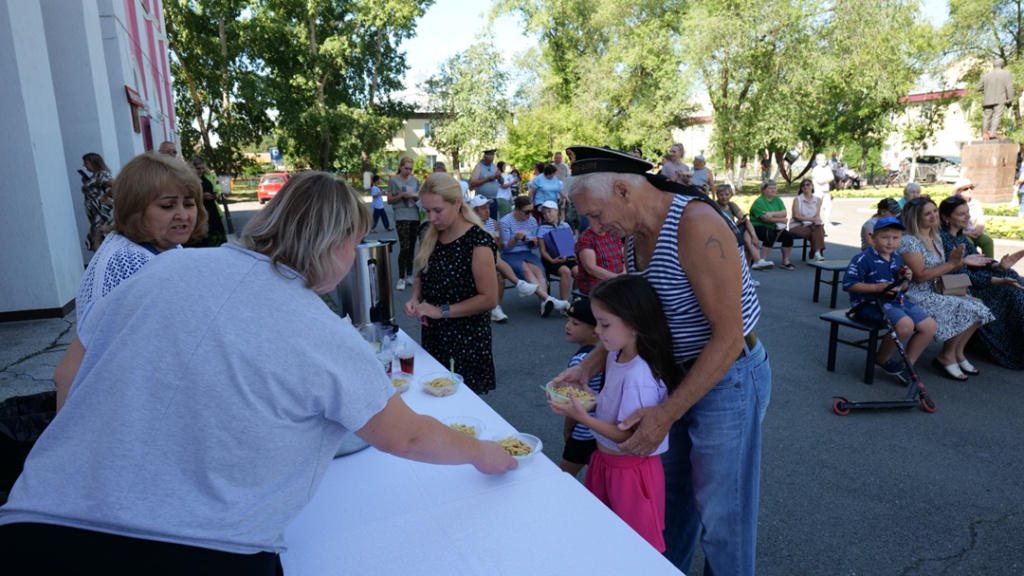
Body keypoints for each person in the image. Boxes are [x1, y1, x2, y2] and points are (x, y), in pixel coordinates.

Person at [0, 172, 516, 574]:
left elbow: (68, 374)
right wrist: (484, 453)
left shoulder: (164, 267)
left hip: (33, 524)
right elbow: (407, 436)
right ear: (336, 245)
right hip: (198, 550)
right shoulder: (321, 331)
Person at [554, 146, 768, 576]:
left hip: (728, 379)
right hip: (673, 374)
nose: (595, 228)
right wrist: (589, 366)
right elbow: (644, 321)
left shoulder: (695, 224)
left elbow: (728, 337)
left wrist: (665, 414)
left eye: (595, 216)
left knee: (724, 516)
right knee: (669, 503)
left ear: (622, 190)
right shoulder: (636, 232)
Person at [548, 275, 680, 552]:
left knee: (632, 547)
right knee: (604, 536)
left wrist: (583, 417)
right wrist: (584, 398)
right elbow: (613, 404)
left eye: (604, 324)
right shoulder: (615, 354)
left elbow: (627, 434)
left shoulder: (639, 375)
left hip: (630, 474)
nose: (597, 330)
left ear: (634, 325)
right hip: (605, 463)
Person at [76, 153, 208, 315]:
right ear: (134, 208)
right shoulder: (133, 263)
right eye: (168, 205)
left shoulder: (159, 243)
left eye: (188, 204)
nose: (183, 215)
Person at [404, 174, 500, 394]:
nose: (432, 217)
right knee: (433, 396)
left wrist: (441, 310)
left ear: (457, 202)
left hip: (467, 340)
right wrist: (414, 298)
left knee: (463, 406)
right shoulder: (428, 232)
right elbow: (422, 274)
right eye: (427, 211)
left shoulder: (478, 241)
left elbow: (489, 298)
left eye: (437, 210)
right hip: (434, 334)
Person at [897, 196, 995, 380]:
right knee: (964, 307)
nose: (933, 216)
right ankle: (946, 356)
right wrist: (952, 264)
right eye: (927, 213)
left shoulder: (934, 237)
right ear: (915, 217)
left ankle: (957, 353)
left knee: (980, 307)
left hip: (934, 289)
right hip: (916, 294)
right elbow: (920, 276)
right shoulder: (909, 241)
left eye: (934, 211)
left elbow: (942, 268)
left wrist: (962, 261)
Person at [844, 217, 937, 384]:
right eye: (885, 237)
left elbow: (904, 287)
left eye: (895, 238)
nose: (890, 242)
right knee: (905, 325)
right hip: (871, 304)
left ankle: (906, 365)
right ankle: (881, 359)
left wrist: (904, 280)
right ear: (872, 237)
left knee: (930, 326)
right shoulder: (862, 258)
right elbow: (849, 284)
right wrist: (876, 288)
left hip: (896, 301)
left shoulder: (897, 258)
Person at [939, 195, 1024, 369]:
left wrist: (999, 265)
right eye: (962, 214)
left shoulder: (961, 238)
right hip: (964, 286)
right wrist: (998, 280)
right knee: (1014, 295)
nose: (968, 217)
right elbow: (964, 276)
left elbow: (981, 262)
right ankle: (1013, 351)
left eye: (967, 212)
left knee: (1016, 281)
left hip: (978, 281)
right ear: (946, 218)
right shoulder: (944, 240)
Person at [469, 195, 537, 323]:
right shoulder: (470, 225)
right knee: (493, 256)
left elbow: (500, 247)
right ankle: (519, 284)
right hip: (474, 260)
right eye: (483, 208)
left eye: (488, 207)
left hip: (492, 259)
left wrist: (496, 242)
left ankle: (496, 308)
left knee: (499, 276)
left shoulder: (493, 223)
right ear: (475, 211)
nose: (487, 211)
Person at [498, 196, 570, 316]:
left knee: (539, 270)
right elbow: (505, 247)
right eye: (527, 211)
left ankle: (544, 303)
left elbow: (533, 247)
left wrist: (534, 242)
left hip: (526, 252)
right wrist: (515, 238)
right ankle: (548, 299)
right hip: (510, 254)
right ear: (517, 210)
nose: (530, 214)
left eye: (532, 211)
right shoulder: (505, 221)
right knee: (526, 269)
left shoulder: (532, 220)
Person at [557, 298, 604, 477]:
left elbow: (574, 400)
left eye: (575, 323)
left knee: (564, 474)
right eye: (568, 320)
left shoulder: (580, 362)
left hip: (583, 430)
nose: (568, 326)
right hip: (599, 428)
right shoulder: (600, 357)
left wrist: (568, 428)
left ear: (595, 331)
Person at [715, 183, 770, 277]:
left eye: (727, 194)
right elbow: (717, 224)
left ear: (731, 195)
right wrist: (736, 224)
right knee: (745, 236)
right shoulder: (715, 206)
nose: (724, 197)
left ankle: (749, 273)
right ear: (717, 195)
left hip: (734, 232)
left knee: (746, 232)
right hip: (722, 232)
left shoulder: (731, 205)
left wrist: (754, 235)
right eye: (721, 195)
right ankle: (757, 261)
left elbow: (744, 219)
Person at [387, 157, 420, 291]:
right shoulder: (394, 181)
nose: (408, 171)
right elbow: (389, 200)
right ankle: (401, 277)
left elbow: (419, 196)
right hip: (401, 216)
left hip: (414, 215)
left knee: (412, 248)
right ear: (400, 167)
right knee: (404, 247)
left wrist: (415, 196)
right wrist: (401, 195)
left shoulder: (415, 180)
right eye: (406, 168)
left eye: (410, 169)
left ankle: (409, 275)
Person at [750, 179, 797, 270]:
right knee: (769, 235)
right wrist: (782, 219)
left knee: (788, 236)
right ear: (764, 190)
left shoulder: (777, 200)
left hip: (774, 226)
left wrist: (772, 214)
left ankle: (785, 261)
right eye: (770, 188)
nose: (773, 190)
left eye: (774, 188)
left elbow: (784, 212)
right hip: (758, 226)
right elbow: (765, 219)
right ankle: (761, 261)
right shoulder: (759, 202)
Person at [537, 200, 577, 302]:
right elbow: (542, 251)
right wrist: (552, 260)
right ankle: (564, 302)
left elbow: (572, 244)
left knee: (579, 272)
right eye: (544, 213)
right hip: (551, 259)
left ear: (556, 211)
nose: (547, 215)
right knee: (565, 271)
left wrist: (575, 255)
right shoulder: (542, 229)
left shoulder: (565, 225)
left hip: (568, 257)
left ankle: (577, 297)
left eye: (549, 211)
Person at [80, 152, 115, 252]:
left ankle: (101, 263)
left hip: (102, 212)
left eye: (86, 163)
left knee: (97, 239)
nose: (84, 165)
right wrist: (86, 183)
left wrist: (105, 196)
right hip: (96, 212)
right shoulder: (95, 176)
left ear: (94, 162)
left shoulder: (102, 174)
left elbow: (115, 184)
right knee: (99, 239)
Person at [574, 226, 624, 295]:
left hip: (618, 280)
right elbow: (591, 269)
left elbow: (624, 257)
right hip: (596, 284)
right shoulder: (585, 238)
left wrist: (624, 273)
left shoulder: (612, 234)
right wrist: (617, 277)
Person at [952, 178, 994, 258]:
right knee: (969, 243)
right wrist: (965, 233)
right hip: (959, 233)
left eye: (971, 188)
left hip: (973, 231)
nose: (969, 190)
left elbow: (980, 220)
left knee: (987, 241)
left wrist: (979, 229)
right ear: (958, 191)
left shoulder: (975, 203)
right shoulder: (952, 203)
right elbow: (949, 225)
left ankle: (990, 265)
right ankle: (973, 266)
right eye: (966, 189)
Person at [190, 155, 226, 246]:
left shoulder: (207, 176)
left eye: (203, 168)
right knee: (204, 237)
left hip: (213, 209)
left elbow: (216, 188)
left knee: (216, 234)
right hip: (199, 210)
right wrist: (201, 197)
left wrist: (216, 194)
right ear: (192, 167)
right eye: (198, 168)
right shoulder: (189, 178)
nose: (201, 171)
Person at [789, 178, 827, 261]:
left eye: (808, 185)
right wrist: (811, 219)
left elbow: (817, 215)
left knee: (818, 227)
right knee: (818, 232)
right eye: (803, 185)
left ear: (812, 187)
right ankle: (816, 252)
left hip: (812, 225)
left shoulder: (818, 200)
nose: (805, 187)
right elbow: (796, 216)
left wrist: (816, 221)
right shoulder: (797, 199)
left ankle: (816, 252)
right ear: (801, 188)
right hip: (797, 225)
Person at [977, 57, 1014, 139]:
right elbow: (1009, 87)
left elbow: (978, 87)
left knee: (986, 117)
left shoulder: (986, 75)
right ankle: (992, 133)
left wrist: (988, 88)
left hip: (987, 100)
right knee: (997, 115)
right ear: (1002, 65)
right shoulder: (1006, 73)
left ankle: (984, 134)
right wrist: (1010, 99)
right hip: (1000, 99)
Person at [469, 149, 502, 221]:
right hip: (482, 201)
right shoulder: (478, 167)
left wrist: (499, 176)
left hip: (493, 200)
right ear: (484, 158)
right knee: (482, 221)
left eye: (492, 160)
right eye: (489, 160)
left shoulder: (493, 166)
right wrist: (488, 179)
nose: (490, 162)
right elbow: (473, 182)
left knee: (493, 221)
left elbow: (502, 182)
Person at [811, 153, 834, 228]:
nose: (825, 161)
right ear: (818, 161)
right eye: (823, 159)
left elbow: (832, 177)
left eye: (825, 159)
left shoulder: (827, 168)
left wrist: (825, 180)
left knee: (828, 206)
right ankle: (816, 222)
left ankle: (827, 222)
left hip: (826, 191)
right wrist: (827, 179)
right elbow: (819, 181)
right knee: (816, 207)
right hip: (818, 191)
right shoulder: (815, 169)